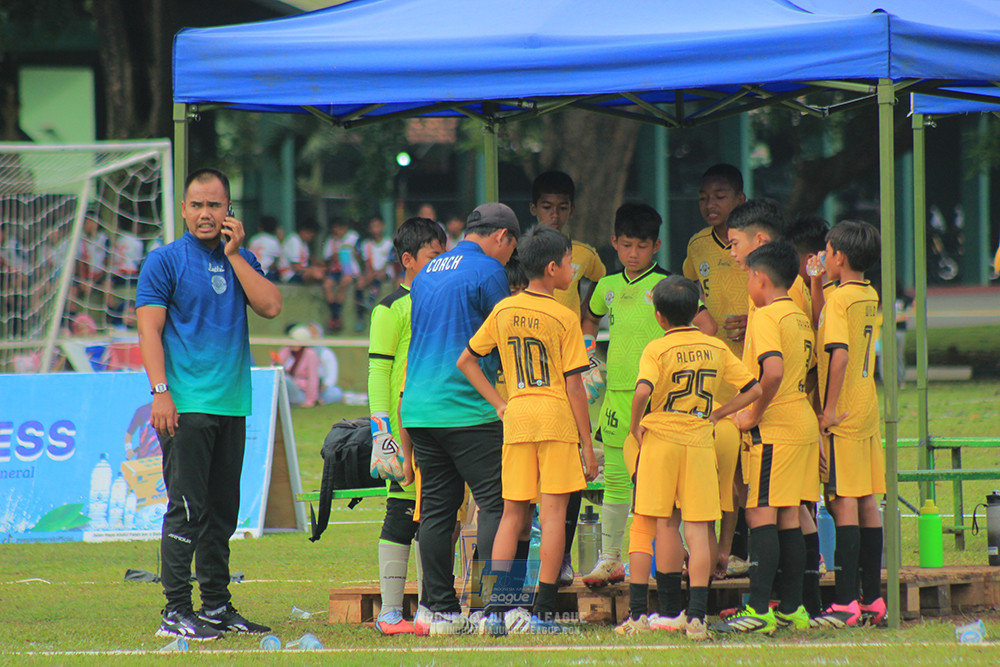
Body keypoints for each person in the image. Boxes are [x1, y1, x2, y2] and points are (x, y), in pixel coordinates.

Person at [136, 167, 282, 641]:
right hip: (186, 406)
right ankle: (175, 611)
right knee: (186, 509)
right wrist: (161, 392)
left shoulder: (241, 258)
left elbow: (271, 306)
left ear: (228, 211)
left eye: (214, 205)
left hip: (232, 403)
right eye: (197, 205)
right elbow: (149, 330)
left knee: (222, 513)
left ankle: (216, 606)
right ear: (183, 209)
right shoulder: (164, 261)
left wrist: (235, 255)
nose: (205, 213)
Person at [458, 226, 599, 633]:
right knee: (553, 517)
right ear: (552, 268)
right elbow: (575, 386)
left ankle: (493, 612)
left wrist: (499, 403)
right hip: (554, 418)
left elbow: (466, 360)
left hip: (517, 416)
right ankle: (542, 613)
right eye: (569, 262)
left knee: (511, 515)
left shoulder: (504, 310)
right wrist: (587, 445)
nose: (572, 269)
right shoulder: (564, 316)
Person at [616, 276, 760, 639]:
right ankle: (696, 618)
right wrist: (720, 412)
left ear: (659, 316)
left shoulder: (657, 348)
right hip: (698, 440)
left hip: (661, 438)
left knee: (646, 525)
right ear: (697, 310)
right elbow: (754, 388)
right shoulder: (715, 346)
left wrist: (635, 426)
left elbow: (642, 391)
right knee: (698, 530)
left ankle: (637, 616)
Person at [582, 203, 716, 586]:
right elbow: (589, 319)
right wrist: (589, 354)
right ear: (614, 242)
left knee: (665, 485)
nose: (633, 253)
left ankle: (680, 555)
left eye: (642, 246)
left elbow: (707, 327)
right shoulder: (606, 287)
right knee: (615, 480)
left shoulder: (669, 287)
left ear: (656, 245)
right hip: (617, 398)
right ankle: (610, 559)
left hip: (660, 401)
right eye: (626, 245)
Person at [400, 202, 519, 635]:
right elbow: (504, 336)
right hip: (468, 407)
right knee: (499, 502)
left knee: (436, 508)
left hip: (419, 407)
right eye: (511, 248)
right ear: (502, 237)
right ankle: (493, 609)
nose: (509, 257)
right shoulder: (489, 270)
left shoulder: (426, 272)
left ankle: (438, 610)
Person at [711, 241, 819, 635]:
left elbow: (772, 372)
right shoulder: (799, 316)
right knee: (788, 514)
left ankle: (758, 611)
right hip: (801, 421)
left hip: (775, 427)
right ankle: (793, 608)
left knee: (759, 513)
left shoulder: (766, 315)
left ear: (760, 278)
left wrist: (753, 415)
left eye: (747, 278)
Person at [367, 216, 446, 635]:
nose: (441, 263)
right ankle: (390, 614)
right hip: (404, 428)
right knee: (401, 511)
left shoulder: (448, 301)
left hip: (443, 420)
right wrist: (382, 433)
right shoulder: (390, 309)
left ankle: (433, 608)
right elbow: (378, 371)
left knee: (439, 514)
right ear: (408, 260)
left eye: (444, 255)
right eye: (434, 256)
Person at [529, 170, 607, 587]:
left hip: (569, 375)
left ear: (571, 210)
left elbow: (601, 296)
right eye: (547, 207)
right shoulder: (522, 256)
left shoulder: (586, 257)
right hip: (529, 380)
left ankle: (557, 562)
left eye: (562, 208)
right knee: (524, 484)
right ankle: (524, 569)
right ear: (533, 209)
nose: (554, 215)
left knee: (572, 470)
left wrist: (588, 343)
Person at [811, 220, 886, 629]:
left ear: (838, 256)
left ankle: (844, 602)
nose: (823, 256)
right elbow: (827, 323)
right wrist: (816, 283)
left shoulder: (839, 300)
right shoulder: (867, 293)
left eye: (826, 251)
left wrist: (828, 410)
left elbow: (837, 353)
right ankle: (873, 598)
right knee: (866, 501)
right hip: (867, 408)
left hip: (842, 414)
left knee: (843, 502)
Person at [682, 164, 750, 578]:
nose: (711, 204)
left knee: (751, 467)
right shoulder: (697, 246)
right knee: (723, 466)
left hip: (754, 371)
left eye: (720, 196)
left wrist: (754, 320)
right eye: (704, 197)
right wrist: (700, 314)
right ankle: (720, 552)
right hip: (715, 373)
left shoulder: (755, 243)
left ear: (740, 199)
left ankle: (742, 549)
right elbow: (687, 290)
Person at [355, 216, 396, 331]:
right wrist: (370, 273)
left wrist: (379, 271)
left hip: (385, 272)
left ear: (383, 227)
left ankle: (370, 300)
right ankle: (360, 315)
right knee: (360, 282)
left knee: (379, 276)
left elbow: (389, 262)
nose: (375, 229)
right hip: (371, 272)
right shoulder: (366, 244)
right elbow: (367, 262)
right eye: (373, 227)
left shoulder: (389, 243)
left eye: (377, 226)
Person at [322, 218, 361, 331]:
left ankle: (335, 317)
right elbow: (326, 258)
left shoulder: (353, 237)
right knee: (327, 285)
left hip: (350, 270)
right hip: (336, 270)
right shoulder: (331, 240)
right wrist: (333, 255)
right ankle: (335, 315)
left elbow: (360, 256)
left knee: (343, 283)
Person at [275, 325, 322, 407]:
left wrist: (310, 401)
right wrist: (276, 362)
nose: (294, 344)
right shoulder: (286, 350)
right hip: (288, 389)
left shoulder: (310, 355)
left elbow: (313, 379)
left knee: (285, 379)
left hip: (301, 392)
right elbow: (276, 367)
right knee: (280, 377)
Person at [282, 217, 325, 284]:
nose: (311, 238)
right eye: (311, 234)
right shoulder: (294, 240)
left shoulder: (303, 243)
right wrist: (312, 270)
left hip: (299, 273)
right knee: (316, 274)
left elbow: (308, 259)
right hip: (289, 274)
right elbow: (296, 267)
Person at [247, 215, 286, 281]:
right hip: (265, 273)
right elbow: (276, 262)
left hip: (251, 272)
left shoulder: (253, 239)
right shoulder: (274, 241)